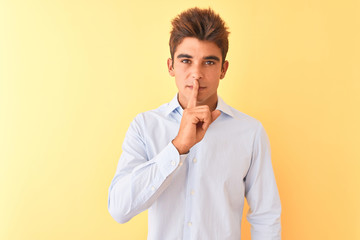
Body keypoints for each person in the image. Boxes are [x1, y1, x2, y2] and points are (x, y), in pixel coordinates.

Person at [108, 7, 281, 240]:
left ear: (223, 69)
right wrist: (178, 147)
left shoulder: (250, 132)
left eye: (209, 62)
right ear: (171, 66)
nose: (196, 73)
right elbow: (119, 209)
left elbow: (266, 217)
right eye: (186, 60)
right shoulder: (145, 126)